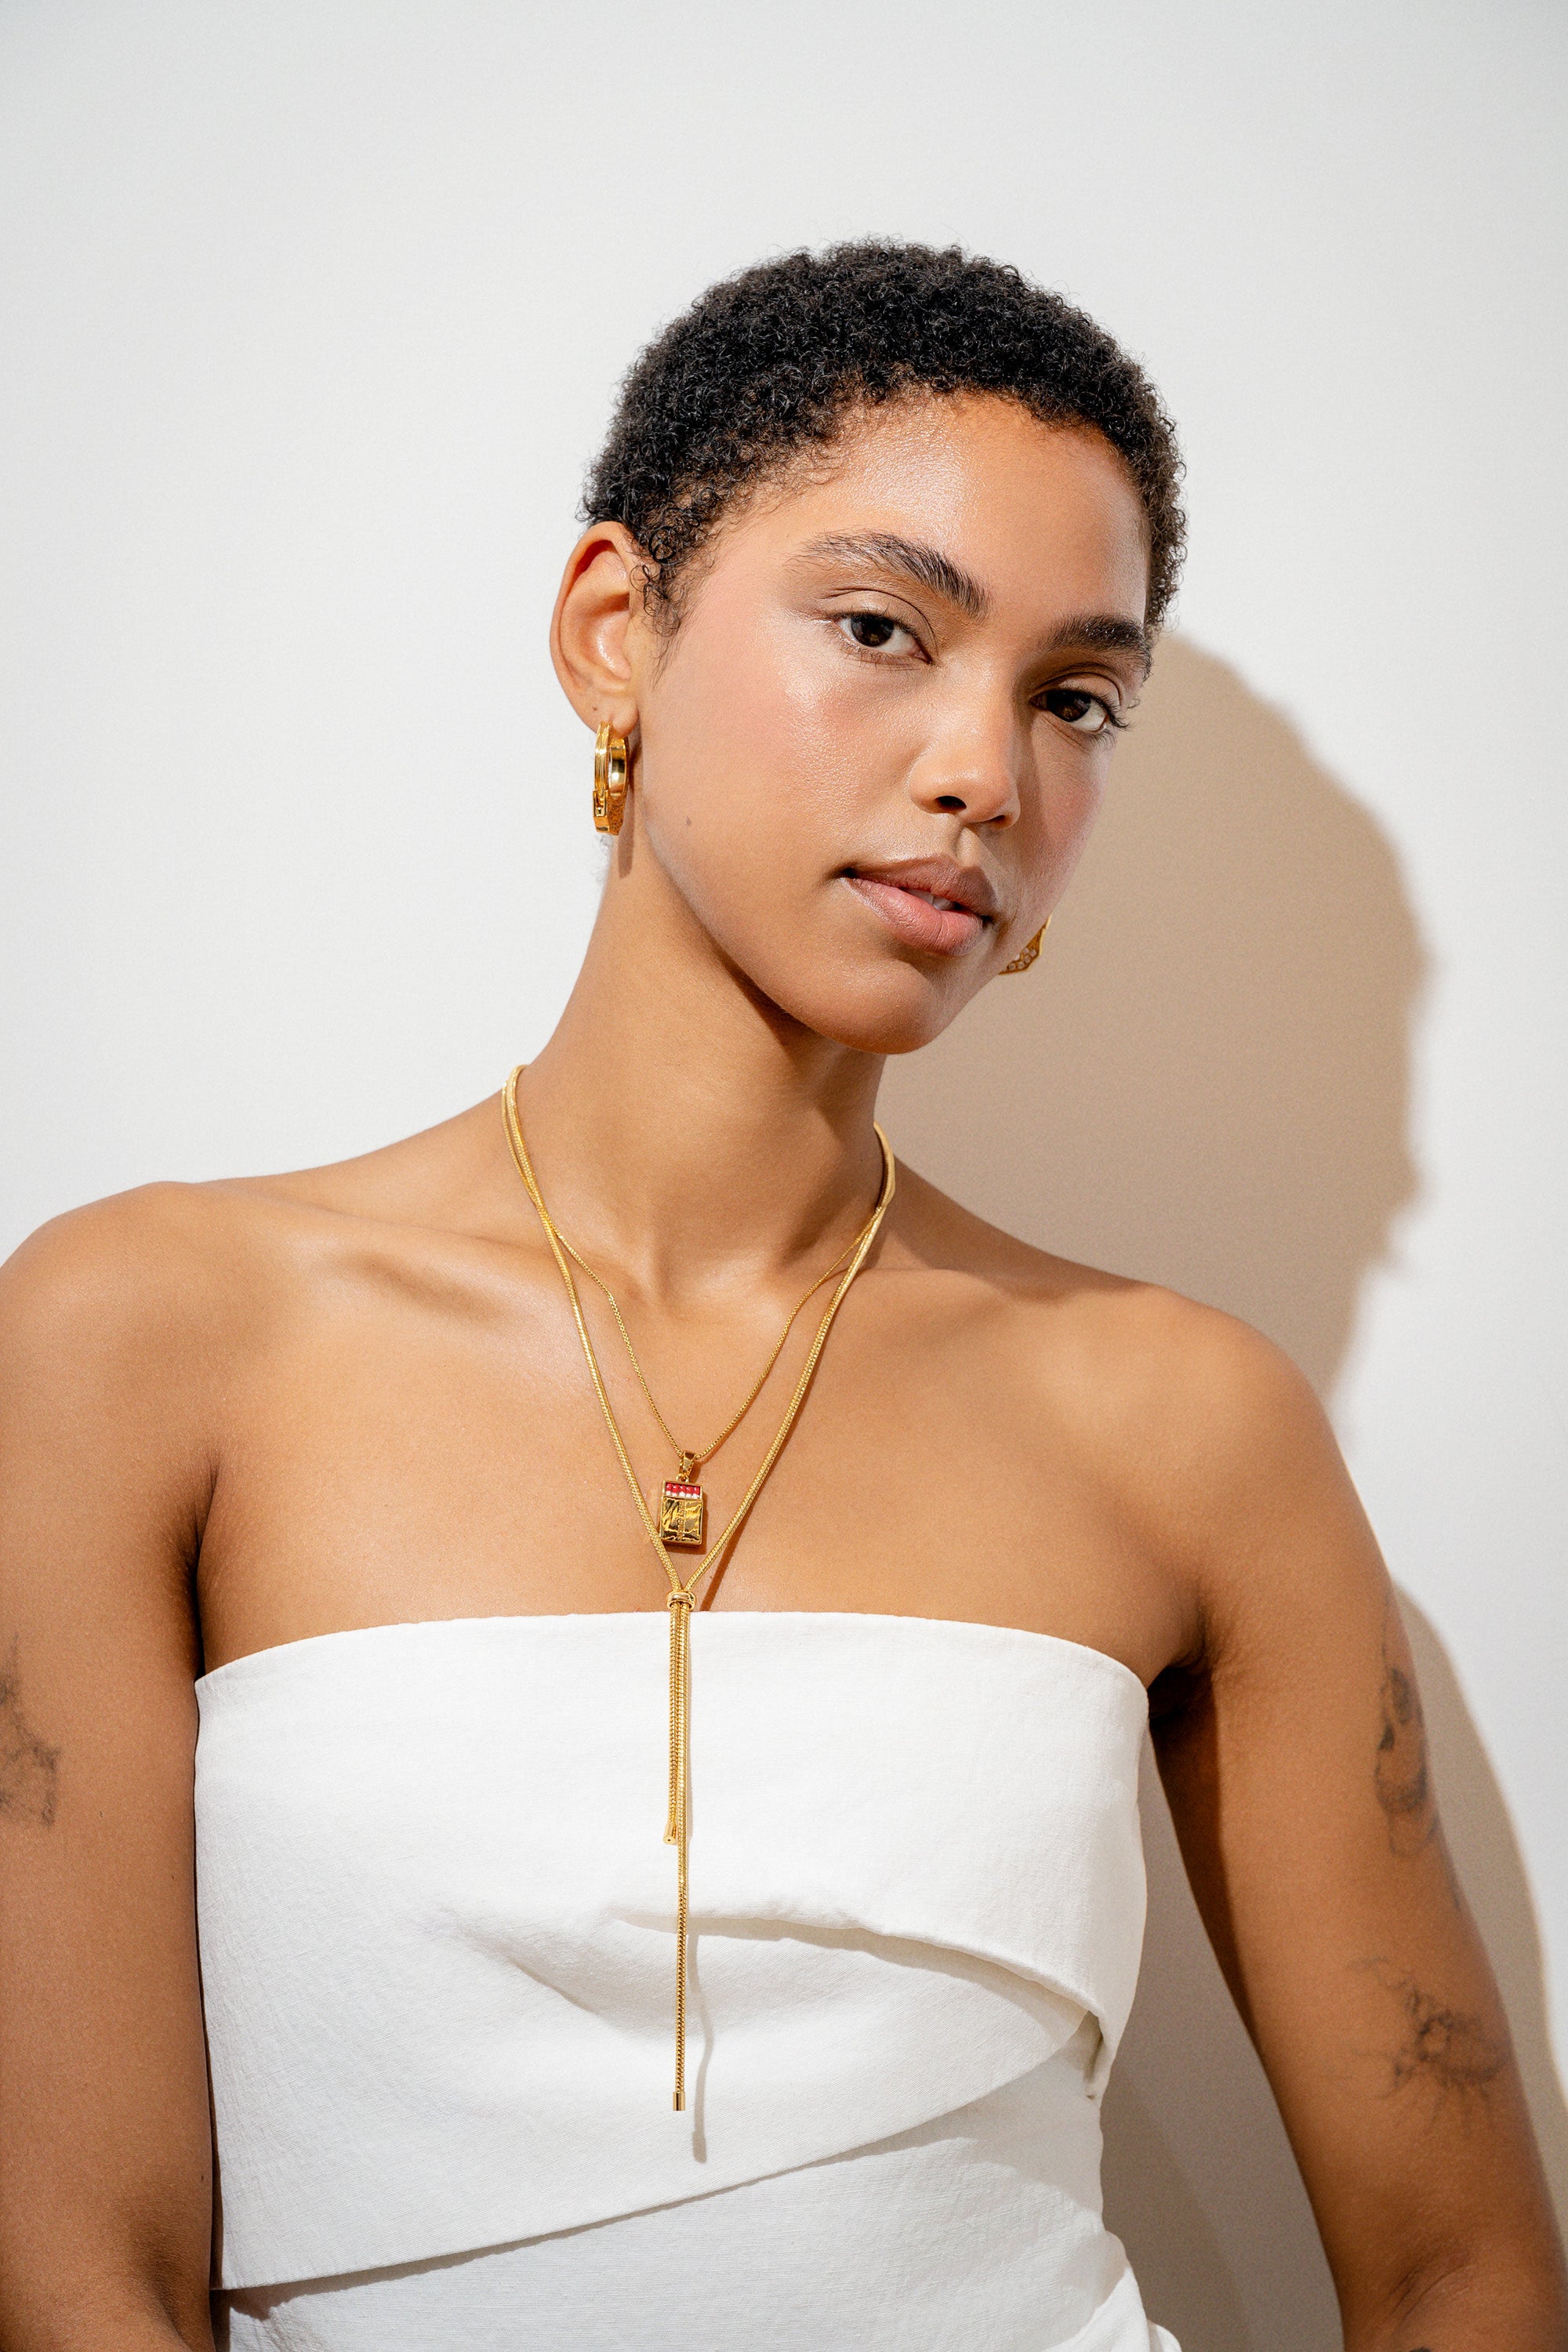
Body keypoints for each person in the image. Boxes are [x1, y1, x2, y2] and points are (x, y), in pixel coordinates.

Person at [0, 241, 1562, 2352]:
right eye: (881, 629)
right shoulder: (143, 1336)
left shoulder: (1189, 1424)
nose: (985, 772)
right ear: (614, 634)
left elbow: (1466, 2274)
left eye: (1073, 699)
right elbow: (73, 2275)